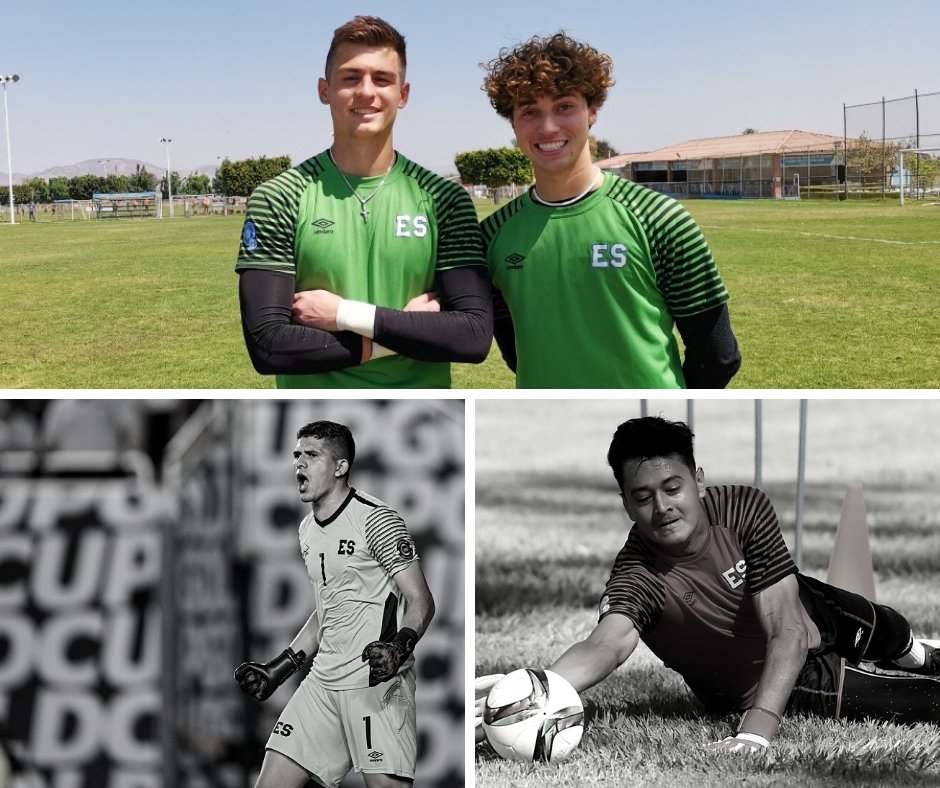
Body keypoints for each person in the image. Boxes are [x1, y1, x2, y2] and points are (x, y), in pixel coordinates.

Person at [478, 416, 940, 752]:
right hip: (779, 681)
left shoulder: (743, 508)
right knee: (925, 704)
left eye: (672, 488)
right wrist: (538, 690)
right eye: (642, 497)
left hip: (809, 614)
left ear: (698, 481)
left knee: (889, 630)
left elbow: (788, 626)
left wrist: (757, 731)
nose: (661, 507)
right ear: (625, 503)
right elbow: (606, 644)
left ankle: (917, 654)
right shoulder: (638, 574)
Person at [235, 15, 493, 388]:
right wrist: (402, 332)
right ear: (325, 90)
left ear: (402, 95)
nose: (366, 92)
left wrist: (344, 314)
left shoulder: (445, 199)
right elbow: (269, 345)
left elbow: (471, 335)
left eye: (382, 79)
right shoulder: (278, 197)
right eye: (350, 77)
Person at [479, 34, 741, 389]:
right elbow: (516, 351)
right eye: (529, 111)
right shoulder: (492, 235)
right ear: (513, 122)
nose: (548, 127)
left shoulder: (660, 219)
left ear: (593, 110)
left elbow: (719, 355)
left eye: (564, 106)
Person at [235, 420, 435, 786]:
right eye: (297, 455)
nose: (299, 463)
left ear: (340, 467)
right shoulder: (307, 530)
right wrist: (280, 668)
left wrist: (399, 646)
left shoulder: (377, 520)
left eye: (312, 455)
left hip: (375, 685)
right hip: (322, 684)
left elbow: (421, 600)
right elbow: (328, 607)